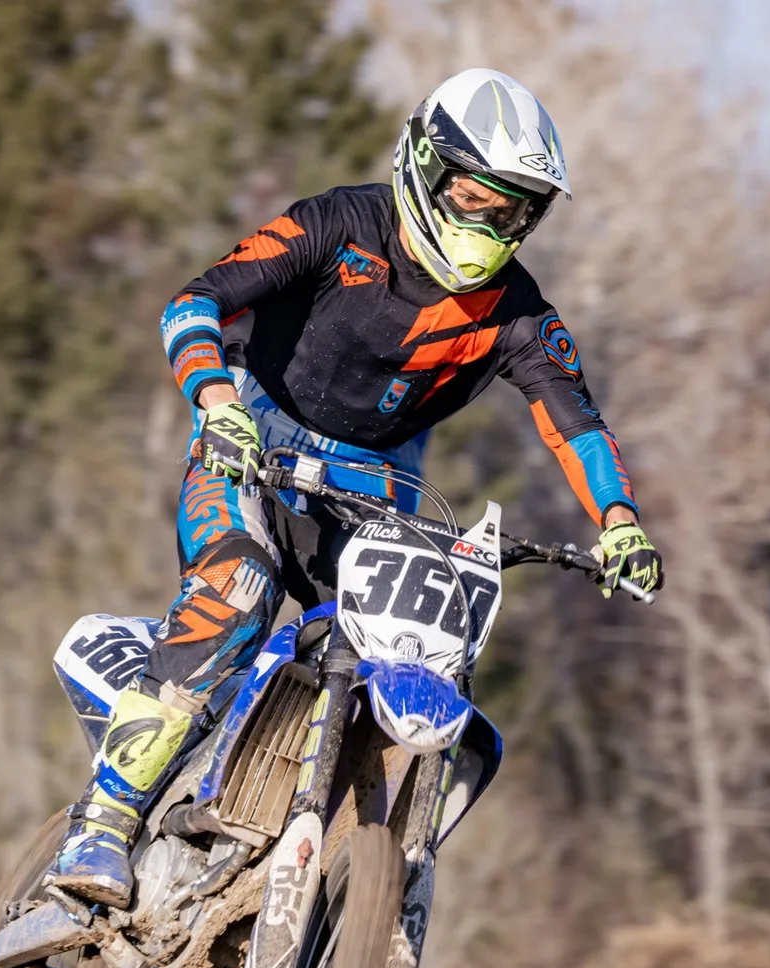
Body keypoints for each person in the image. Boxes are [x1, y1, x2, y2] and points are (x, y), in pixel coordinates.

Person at [44, 67, 664, 906]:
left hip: (377, 491)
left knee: (421, 654)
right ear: (424, 166)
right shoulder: (337, 223)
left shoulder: (517, 312)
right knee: (240, 589)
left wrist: (620, 521)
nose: (487, 225)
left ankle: (359, 879)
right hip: (250, 445)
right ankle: (103, 822)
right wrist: (217, 403)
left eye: (512, 211)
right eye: (472, 198)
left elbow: (576, 422)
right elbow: (194, 303)